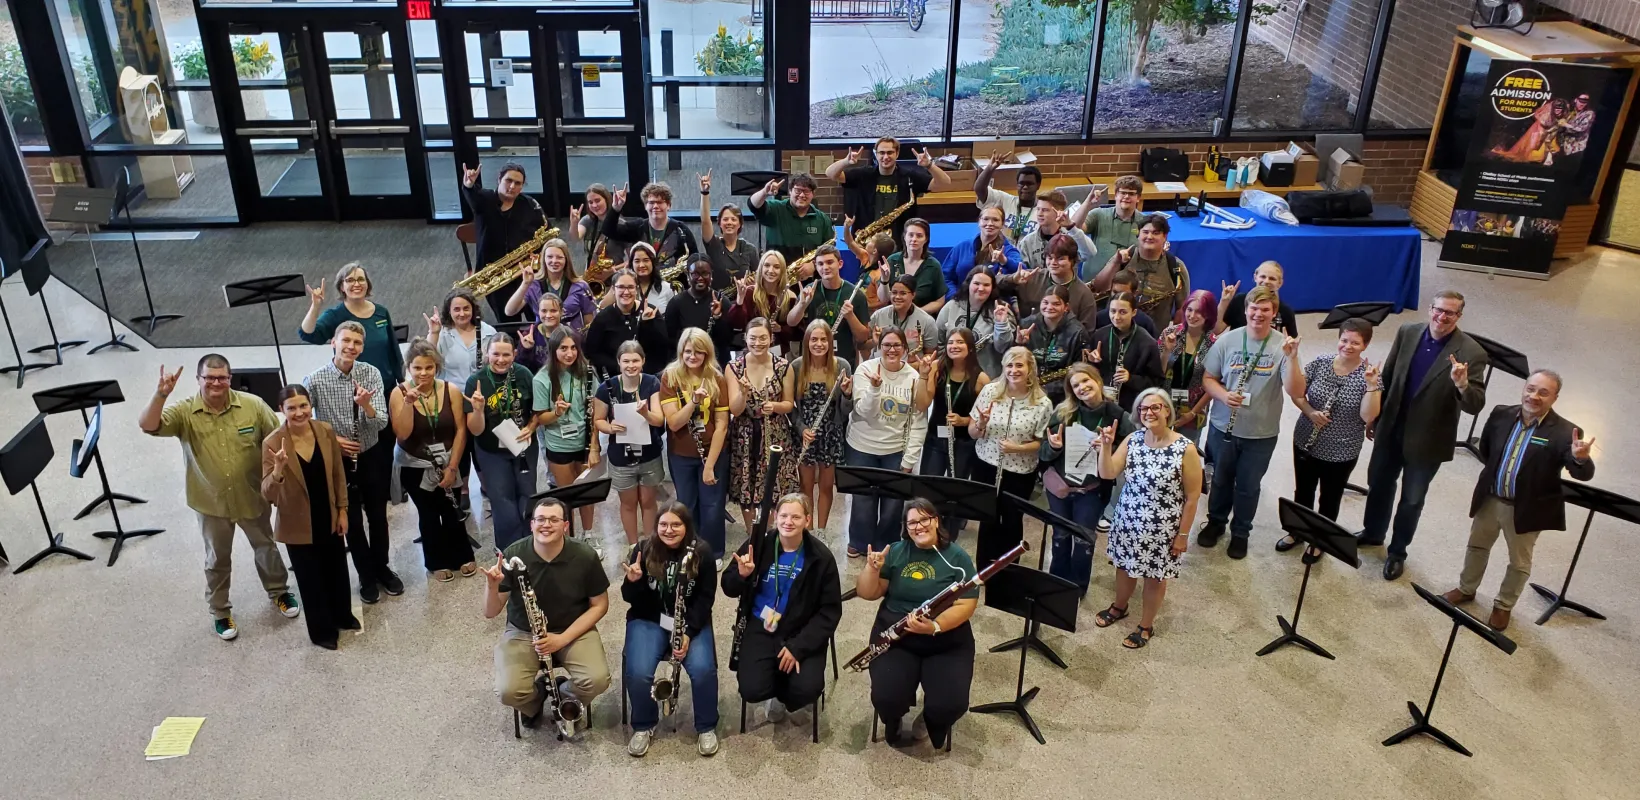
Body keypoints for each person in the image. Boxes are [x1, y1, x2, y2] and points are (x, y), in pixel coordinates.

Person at [139, 356, 295, 641]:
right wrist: (161, 395)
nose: (216, 383)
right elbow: (148, 425)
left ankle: (279, 592)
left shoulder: (253, 405)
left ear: (230, 378)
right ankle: (220, 611)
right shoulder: (185, 411)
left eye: (222, 377)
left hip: (250, 495)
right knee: (217, 558)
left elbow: (277, 439)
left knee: (266, 547)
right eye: (209, 378)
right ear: (198, 379)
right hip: (211, 502)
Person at [1442, 370, 1596, 631]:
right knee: (1477, 546)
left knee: (1519, 562)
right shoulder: (1501, 414)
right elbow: (1486, 450)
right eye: (1530, 389)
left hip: (1526, 509)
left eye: (1543, 393)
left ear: (1555, 398)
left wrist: (1581, 458)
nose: (1534, 396)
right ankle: (1466, 589)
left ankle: (1503, 605)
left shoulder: (1565, 432)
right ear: (1523, 388)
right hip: (1490, 498)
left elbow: (1582, 473)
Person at [1357, 290, 1489, 580]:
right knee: (1378, 485)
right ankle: (1373, 533)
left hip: (1428, 439)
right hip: (1392, 428)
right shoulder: (1408, 332)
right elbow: (1390, 375)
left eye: (1450, 312)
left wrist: (1463, 385)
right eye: (1438, 310)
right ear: (1430, 309)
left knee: (1412, 499)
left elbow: (1475, 404)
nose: (1442, 317)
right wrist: (1376, 416)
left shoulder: (1472, 352)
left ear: (1459, 316)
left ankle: (1397, 552)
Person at [484, 497, 611, 740]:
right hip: (524, 631)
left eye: (554, 520)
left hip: (573, 629)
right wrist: (491, 587)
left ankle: (566, 695)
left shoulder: (585, 555)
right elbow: (490, 612)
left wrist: (562, 639)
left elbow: (600, 605)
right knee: (508, 691)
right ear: (532, 524)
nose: (546, 525)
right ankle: (536, 700)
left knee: (597, 680)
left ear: (565, 525)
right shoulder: (514, 554)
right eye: (540, 519)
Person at [856, 498, 979, 750]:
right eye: (912, 522)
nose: (919, 526)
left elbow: (966, 604)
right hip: (898, 637)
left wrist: (934, 626)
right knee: (887, 696)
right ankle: (893, 718)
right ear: (906, 527)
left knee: (950, 704)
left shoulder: (957, 557)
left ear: (936, 521)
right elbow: (868, 593)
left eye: (925, 519)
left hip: (946, 638)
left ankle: (931, 719)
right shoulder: (896, 551)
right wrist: (872, 569)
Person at [1197, 287, 1305, 560]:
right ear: (1245, 310)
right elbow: (1208, 379)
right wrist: (1224, 396)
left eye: (1265, 309)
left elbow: (1295, 390)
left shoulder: (1282, 345)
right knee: (1220, 480)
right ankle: (1215, 522)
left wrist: (1292, 359)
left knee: (1248, 486)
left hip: (1260, 433)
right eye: (1253, 308)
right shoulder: (1228, 340)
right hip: (1223, 427)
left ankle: (1241, 532)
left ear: (1274, 312)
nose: (1258, 314)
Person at [1094, 388, 1204, 649]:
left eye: (1155, 407)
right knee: (1123, 567)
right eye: (1143, 408)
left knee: (1155, 577)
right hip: (1128, 520)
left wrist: (1183, 536)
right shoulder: (1133, 440)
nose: (1149, 412)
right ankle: (1120, 606)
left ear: (1167, 411)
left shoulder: (1185, 448)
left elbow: (1192, 497)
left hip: (1162, 527)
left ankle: (1146, 625)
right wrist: (1106, 447)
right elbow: (1108, 473)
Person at [721, 493, 842, 727]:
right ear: (775, 516)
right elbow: (728, 586)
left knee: (806, 690)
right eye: (784, 515)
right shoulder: (759, 544)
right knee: (752, 689)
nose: (788, 522)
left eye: (796, 517)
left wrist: (798, 648)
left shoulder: (821, 558)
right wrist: (742, 576)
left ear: (807, 520)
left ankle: (785, 693)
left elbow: (829, 612)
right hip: (761, 624)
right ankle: (775, 690)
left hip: (801, 629)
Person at [301, 321, 397, 604]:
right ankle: (366, 576)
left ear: (362, 347)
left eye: (357, 343)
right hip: (339, 461)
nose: (351, 347)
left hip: (370, 455)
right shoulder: (314, 380)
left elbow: (381, 422)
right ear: (334, 342)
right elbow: (303, 423)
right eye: (346, 341)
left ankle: (382, 568)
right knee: (352, 522)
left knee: (378, 517)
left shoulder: (371, 373)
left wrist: (366, 404)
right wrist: (333, 440)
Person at [620, 503, 720, 757]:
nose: (669, 530)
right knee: (638, 672)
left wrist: (688, 632)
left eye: (676, 524)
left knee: (703, 670)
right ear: (656, 526)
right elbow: (630, 599)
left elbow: (705, 599)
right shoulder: (643, 549)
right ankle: (643, 725)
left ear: (687, 527)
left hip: (689, 620)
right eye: (663, 524)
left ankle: (706, 726)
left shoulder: (702, 552)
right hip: (649, 619)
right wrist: (633, 582)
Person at [261, 385, 355, 650]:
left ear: (311, 405)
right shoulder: (272, 443)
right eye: (291, 408)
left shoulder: (324, 430)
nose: (299, 412)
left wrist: (343, 509)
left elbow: (337, 474)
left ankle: (343, 616)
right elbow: (267, 493)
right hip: (297, 522)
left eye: (303, 405)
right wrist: (278, 470)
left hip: (328, 513)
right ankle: (322, 632)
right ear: (281, 410)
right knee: (310, 579)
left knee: (337, 570)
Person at [1279, 319, 1382, 549]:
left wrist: (1372, 386)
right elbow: (1296, 392)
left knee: (1330, 497)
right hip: (1306, 439)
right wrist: (1310, 411)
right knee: (1303, 491)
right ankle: (1297, 531)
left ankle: (1320, 541)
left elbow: (1368, 416)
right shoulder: (1321, 362)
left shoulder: (1370, 375)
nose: (1348, 346)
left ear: (1365, 345)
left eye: (1355, 343)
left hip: (1341, 450)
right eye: (1344, 340)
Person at [1040, 365, 1132, 593]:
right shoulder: (1063, 413)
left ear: (1098, 381)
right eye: (1075, 385)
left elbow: (1130, 454)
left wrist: (1108, 449)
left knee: (1083, 540)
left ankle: (1077, 588)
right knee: (1060, 536)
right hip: (1060, 487)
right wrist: (1053, 448)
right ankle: (1056, 582)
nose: (1082, 387)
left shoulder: (1118, 416)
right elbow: (1043, 454)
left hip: (1091, 490)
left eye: (1085, 381)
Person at [390, 339, 476, 582]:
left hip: (448, 459)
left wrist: (453, 467)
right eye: (417, 368)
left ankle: (461, 555)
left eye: (429, 367)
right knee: (428, 514)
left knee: (451, 509)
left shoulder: (451, 390)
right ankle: (435, 561)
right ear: (409, 367)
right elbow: (402, 434)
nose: (423, 373)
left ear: (437, 367)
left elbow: (461, 430)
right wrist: (409, 404)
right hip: (415, 464)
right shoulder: (399, 393)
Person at [968, 346, 1053, 567]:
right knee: (987, 519)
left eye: (1019, 365)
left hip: (1019, 471)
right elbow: (972, 433)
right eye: (1009, 365)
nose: (1013, 370)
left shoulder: (1042, 402)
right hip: (986, 465)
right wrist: (981, 424)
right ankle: (984, 570)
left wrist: (1017, 448)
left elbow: (1041, 443)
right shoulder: (990, 391)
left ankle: (1009, 570)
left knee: (1012, 521)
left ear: (1030, 369)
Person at [846, 328, 928, 557]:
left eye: (897, 345)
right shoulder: (865, 369)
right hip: (862, 446)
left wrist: (910, 460)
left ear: (905, 349)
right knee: (862, 500)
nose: (892, 350)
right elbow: (863, 411)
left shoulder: (914, 377)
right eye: (887, 345)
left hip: (895, 449)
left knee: (893, 503)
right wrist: (874, 389)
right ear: (879, 347)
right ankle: (860, 542)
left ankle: (886, 545)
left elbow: (918, 421)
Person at [657, 328, 732, 559]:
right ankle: (690, 549)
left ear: (707, 353)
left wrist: (709, 465)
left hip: (713, 452)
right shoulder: (670, 377)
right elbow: (674, 423)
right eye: (688, 351)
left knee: (712, 505)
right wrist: (693, 402)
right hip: (681, 454)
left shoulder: (717, 378)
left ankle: (713, 553)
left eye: (699, 352)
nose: (693, 356)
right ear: (681, 351)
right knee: (686, 505)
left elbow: (722, 425)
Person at [464, 333, 539, 551]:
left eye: (506, 355)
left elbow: (537, 411)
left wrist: (531, 427)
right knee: (502, 500)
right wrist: (478, 410)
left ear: (514, 354)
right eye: (496, 354)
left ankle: (530, 545)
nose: (501, 360)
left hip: (523, 445)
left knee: (527, 494)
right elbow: (475, 430)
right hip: (491, 450)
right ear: (487, 354)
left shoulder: (524, 374)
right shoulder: (476, 382)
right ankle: (509, 550)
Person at [728, 317, 801, 527]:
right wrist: (742, 394)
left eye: (762, 338)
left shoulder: (783, 366)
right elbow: (735, 409)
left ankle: (769, 534)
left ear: (771, 339)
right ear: (745, 338)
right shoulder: (734, 367)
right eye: (753, 338)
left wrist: (775, 406)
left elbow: (788, 404)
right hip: (745, 434)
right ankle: (752, 535)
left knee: (775, 487)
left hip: (775, 432)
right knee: (747, 486)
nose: (757, 343)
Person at [594, 342, 668, 546]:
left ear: (643, 361)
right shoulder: (605, 388)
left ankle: (650, 545)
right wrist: (610, 428)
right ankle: (634, 546)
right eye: (626, 361)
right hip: (621, 456)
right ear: (618, 362)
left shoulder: (652, 383)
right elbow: (598, 420)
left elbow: (658, 420)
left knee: (648, 501)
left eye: (635, 360)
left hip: (649, 453)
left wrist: (645, 413)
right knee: (628, 504)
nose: (631, 365)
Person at [531, 328, 600, 538]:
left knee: (586, 494)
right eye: (563, 348)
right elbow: (541, 418)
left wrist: (595, 447)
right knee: (567, 498)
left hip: (585, 443)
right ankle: (569, 539)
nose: (569, 354)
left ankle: (588, 536)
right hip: (559, 444)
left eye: (573, 348)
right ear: (554, 350)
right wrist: (557, 413)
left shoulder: (587, 372)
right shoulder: (542, 378)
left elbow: (597, 413)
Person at [787, 320, 853, 531]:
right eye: (814, 339)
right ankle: (806, 531)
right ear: (806, 342)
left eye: (824, 339)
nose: (819, 344)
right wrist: (801, 429)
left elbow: (846, 411)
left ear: (830, 342)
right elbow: (790, 406)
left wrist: (847, 395)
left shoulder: (841, 366)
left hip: (831, 434)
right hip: (805, 434)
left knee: (826, 486)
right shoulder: (796, 366)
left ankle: (822, 532)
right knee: (806, 486)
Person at [461, 161, 547, 321]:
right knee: (507, 320)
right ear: (499, 179)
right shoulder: (486, 199)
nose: (512, 186)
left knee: (538, 316)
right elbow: (473, 197)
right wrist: (469, 185)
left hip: (525, 270)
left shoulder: (530, 205)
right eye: (508, 181)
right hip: (494, 273)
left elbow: (545, 232)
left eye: (518, 183)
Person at [299, 262, 404, 385]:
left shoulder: (381, 312)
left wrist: (402, 382)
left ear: (367, 284)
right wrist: (315, 306)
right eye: (350, 280)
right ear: (342, 287)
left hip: (385, 386)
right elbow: (307, 334)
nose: (356, 284)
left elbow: (393, 350)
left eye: (361, 279)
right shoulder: (335, 315)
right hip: (351, 387)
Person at [827, 137, 951, 241]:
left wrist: (929, 165)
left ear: (897, 154)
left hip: (900, 240)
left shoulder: (909, 176)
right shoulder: (864, 174)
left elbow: (944, 183)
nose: (885, 157)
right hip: (867, 240)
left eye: (890, 152)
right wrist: (846, 162)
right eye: (881, 153)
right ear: (876, 154)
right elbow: (831, 174)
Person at [920, 327, 988, 493]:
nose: (954, 346)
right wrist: (923, 376)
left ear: (970, 348)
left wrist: (964, 421)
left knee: (955, 492)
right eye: (950, 342)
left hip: (963, 442)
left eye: (960, 342)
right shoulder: (936, 367)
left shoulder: (981, 379)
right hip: (936, 438)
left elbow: (986, 417)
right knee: (926, 488)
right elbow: (923, 403)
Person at [1089, 214, 1190, 324]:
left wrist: (1175, 331)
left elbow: (1182, 308)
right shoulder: (1122, 258)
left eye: (1156, 233)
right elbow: (1098, 288)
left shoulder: (1176, 266)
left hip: (1154, 332)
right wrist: (1115, 262)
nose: (1149, 237)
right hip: (1115, 327)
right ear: (1138, 234)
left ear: (1165, 237)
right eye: (1145, 232)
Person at [999, 286, 1084, 404]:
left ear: (1066, 307)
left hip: (1061, 395)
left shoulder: (1077, 332)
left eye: (1056, 304)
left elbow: (1079, 370)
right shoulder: (1027, 323)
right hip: (1025, 387)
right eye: (1045, 302)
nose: (1049, 307)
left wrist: (1044, 390)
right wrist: (1018, 344)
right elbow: (1011, 360)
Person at [1002, 231, 1100, 334]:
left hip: (1064, 342)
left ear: (1072, 261)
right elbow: (995, 284)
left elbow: (1087, 333)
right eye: (1050, 258)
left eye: (1060, 259)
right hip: (1028, 339)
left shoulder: (1084, 294)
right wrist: (1013, 280)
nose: (1053, 263)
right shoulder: (1030, 278)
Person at [788, 245, 872, 364]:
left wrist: (850, 316)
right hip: (813, 360)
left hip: (844, 360)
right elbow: (791, 322)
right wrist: (802, 305)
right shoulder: (810, 290)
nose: (825, 267)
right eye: (820, 264)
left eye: (829, 262)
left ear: (840, 264)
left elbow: (863, 338)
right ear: (815, 266)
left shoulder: (856, 294)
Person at [1158, 290, 1218, 452]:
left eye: (1199, 312)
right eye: (1189, 310)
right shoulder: (1169, 334)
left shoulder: (1214, 344)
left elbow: (1214, 385)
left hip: (1193, 412)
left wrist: (1192, 413)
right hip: (1163, 406)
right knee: (1159, 453)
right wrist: (1166, 352)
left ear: (1209, 314)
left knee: (1186, 457)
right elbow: (1157, 374)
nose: (1192, 316)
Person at [1089, 291, 1165, 412]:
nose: (1116, 317)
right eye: (1113, 311)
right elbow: (1087, 373)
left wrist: (1131, 379)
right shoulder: (1099, 336)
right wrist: (1092, 363)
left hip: (1131, 407)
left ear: (1134, 312)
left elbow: (1157, 382)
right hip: (1101, 403)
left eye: (1123, 312)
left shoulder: (1147, 343)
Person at [584, 269, 669, 376]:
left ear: (636, 289)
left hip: (649, 375)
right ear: (613, 290)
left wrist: (647, 324)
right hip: (616, 376)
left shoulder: (651, 311)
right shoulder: (602, 318)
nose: (626, 292)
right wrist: (620, 367)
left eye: (630, 287)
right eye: (621, 287)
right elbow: (593, 353)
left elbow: (662, 348)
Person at [503, 238, 597, 334]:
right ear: (543, 259)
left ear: (566, 259)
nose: (554, 261)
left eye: (559, 257)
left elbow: (589, 322)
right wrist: (525, 284)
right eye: (550, 257)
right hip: (541, 339)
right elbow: (509, 311)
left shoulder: (581, 286)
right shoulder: (533, 284)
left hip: (571, 340)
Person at [601, 181, 699, 269]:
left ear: (669, 205)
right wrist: (616, 208)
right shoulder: (638, 226)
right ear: (645, 206)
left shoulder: (681, 229)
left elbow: (695, 258)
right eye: (651, 202)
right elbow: (608, 231)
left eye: (660, 202)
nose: (655, 206)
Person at [749, 172, 834, 266]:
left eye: (806, 191)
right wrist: (764, 192)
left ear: (813, 194)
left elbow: (829, 251)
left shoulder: (823, 219)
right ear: (790, 191)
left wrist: (814, 266)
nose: (802, 195)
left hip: (810, 274)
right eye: (798, 190)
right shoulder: (776, 209)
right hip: (777, 272)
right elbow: (753, 205)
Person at [940, 206, 1025, 299]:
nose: (990, 223)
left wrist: (1004, 261)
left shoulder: (1008, 250)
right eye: (986, 219)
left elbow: (1023, 270)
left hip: (994, 304)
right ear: (979, 221)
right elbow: (945, 277)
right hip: (960, 301)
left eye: (995, 220)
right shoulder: (961, 247)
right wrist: (955, 297)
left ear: (1002, 224)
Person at [936, 265, 1004, 379]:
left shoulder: (1000, 310)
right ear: (968, 284)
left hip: (986, 376)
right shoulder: (951, 307)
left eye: (986, 285)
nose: (981, 288)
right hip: (951, 375)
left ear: (992, 287)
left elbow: (1002, 347)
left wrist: (1002, 324)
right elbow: (938, 341)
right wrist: (944, 365)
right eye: (976, 283)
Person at [728, 250, 798, 358]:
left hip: (777, 354)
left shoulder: (789, 296)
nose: (771, 270)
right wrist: (740, 299)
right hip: (750, 351)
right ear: (761, 268)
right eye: (767, 265)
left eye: (776, 267)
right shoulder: (749, 292)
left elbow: (796, 333)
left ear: (782, 271)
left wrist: (781, 329)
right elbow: (736, 324)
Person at [427, 288, 495, 399]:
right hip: (451, 396)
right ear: (449, 311)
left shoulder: (489, 332)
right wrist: (433, 333)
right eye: (457, 309)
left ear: (473, 309)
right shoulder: (441, 334)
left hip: (483, 395)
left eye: (466, 308)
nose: (462, 314)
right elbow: (426, 358)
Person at [1073, 174, 1142, 281]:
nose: (1126, 196)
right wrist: (1088, 203)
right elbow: (1075, 228)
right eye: (1123, 193)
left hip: (1125, 284)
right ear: (1116, 195)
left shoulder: (1144, 222)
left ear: (1138, 198)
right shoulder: (1098, 214)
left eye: (1131, 194)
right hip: (1093, 282)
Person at [665, 255, 731, 362]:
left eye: (705, 273)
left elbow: (726, 340)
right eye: (695, 274)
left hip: (715, 362)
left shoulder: (722, 301)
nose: (700, 278)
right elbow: (671, 341)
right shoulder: (676, 303)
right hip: (686, 362)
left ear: (711, 275)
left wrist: (717, 316)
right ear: (688, 275)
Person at [1014, 191, 1096, 273]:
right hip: (1038, 281)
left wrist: (1071, 227)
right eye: (1038, 209)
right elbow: (1021, 271)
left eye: (1045, 210)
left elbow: (1090, 253)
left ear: (1059, 212)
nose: (1039, 214)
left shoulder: (1071, 237)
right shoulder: (1027, 242)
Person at [879, 217, 945, 315]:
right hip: (893, 318)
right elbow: (883, 300)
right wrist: (884, 280)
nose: (914, 239)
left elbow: (939, 302)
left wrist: (916, 313)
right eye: (910, 235)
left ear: (926, 239)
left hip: (921, 319)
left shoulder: (933, 266)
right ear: (904, 237)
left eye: (919, 236)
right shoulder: (892, 260)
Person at [699, 171, 754, 288]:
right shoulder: (714, 245)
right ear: (719, 223)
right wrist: (705, 192)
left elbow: (759, 280)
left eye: (733, 219)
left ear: (740, 224)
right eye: (725, 219)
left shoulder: (749, 249)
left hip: (742, 297)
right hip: (717, 297)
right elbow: (705, 221)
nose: (729, 222)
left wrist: (753, 283)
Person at [1216, 261, 1300, 337]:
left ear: (1280, 283)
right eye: (1263, 276)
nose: (1266, 281)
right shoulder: (1239, 301)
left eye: (1272, 278)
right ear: (1255, 277)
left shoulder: (1285, 311)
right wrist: (1224, 301)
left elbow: (1292, 342)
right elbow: (1217, 330)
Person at [975, 149, 1043, 240]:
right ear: (1017, 185)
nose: (1025, 187)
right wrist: (989, 169)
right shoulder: (1005, 200)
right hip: (1001, 247)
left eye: (1029, 184)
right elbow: (979, 189)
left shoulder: (1042, 211)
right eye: (1021, 183)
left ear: (1038, 186)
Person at [869, 275, 939, 358]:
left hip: (911, 365)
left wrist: (919, 363)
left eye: (903, 293)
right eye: (894, 292)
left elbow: (930, 353)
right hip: (879, 363)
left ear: (913, 295)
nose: (897, 297)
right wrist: (875, 342)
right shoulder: (878, 315)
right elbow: (862, 345)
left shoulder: (927, 321)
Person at [604, 240, 676, 314]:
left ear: (653, 262)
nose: (641, 265)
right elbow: (602, 307)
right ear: (631, 264)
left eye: (646, 260)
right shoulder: (623, 287)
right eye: (637, 261)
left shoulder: (667, 288)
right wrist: (619, 279)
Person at [569, 182, 625, 275]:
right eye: (590, 202)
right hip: (591, 275)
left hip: (615, 276)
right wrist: (574, 223)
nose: (594, 205)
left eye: (597, 200)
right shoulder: (587, 220)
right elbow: (575, 238)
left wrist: (611, 272)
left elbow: (633, 259)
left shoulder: (620, 224)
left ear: (607, 200)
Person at [1094, 270, 1159, 337]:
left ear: (1135, 294)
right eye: (1115, 292)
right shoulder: (1099, 318)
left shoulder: (1145, 323)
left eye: (1123, 293)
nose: (1118, 297)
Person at [515, 292, 567, 372]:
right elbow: (521, 369)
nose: (548, 315)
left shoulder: (570, 334)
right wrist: (526, 350)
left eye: (553, 311)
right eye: (544, 311)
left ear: (562, 312)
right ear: (538, 312)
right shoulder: (529, 335)